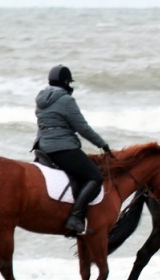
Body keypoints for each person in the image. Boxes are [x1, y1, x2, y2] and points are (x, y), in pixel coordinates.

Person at [34, 64, 114, 236]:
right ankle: (75, 217)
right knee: (95, 176)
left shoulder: (41, 98)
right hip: (61, 147)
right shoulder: (66, 100)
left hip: (42, 146)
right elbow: (82, 127)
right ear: (65, 82)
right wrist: (102, 144)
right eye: (69, 83)